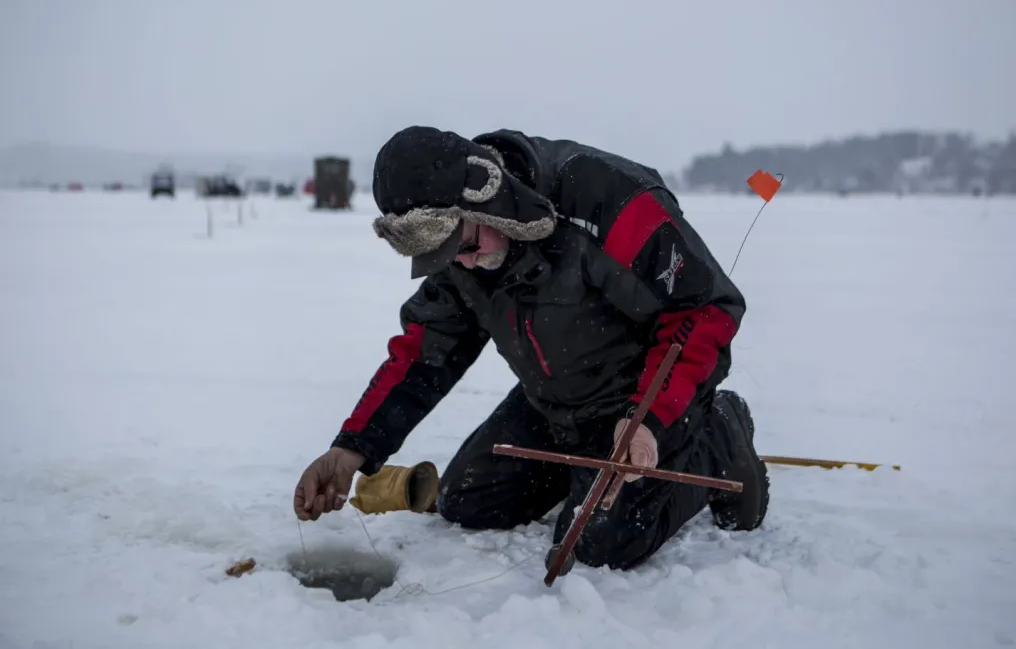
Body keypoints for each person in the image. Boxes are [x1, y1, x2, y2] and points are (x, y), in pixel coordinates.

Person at [293, 126, 770, 571]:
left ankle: (719, 434)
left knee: (600, 545)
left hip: (643, 396)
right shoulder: (465, 249)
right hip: (554, 403)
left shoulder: (607, 199)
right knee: (467, 501)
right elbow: (424, 352)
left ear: (489, 199)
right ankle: (586, 473)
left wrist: (647, 419)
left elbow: (707, 307)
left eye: (467, 245)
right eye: (447, 257)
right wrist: (352, 448)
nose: (464, 263)